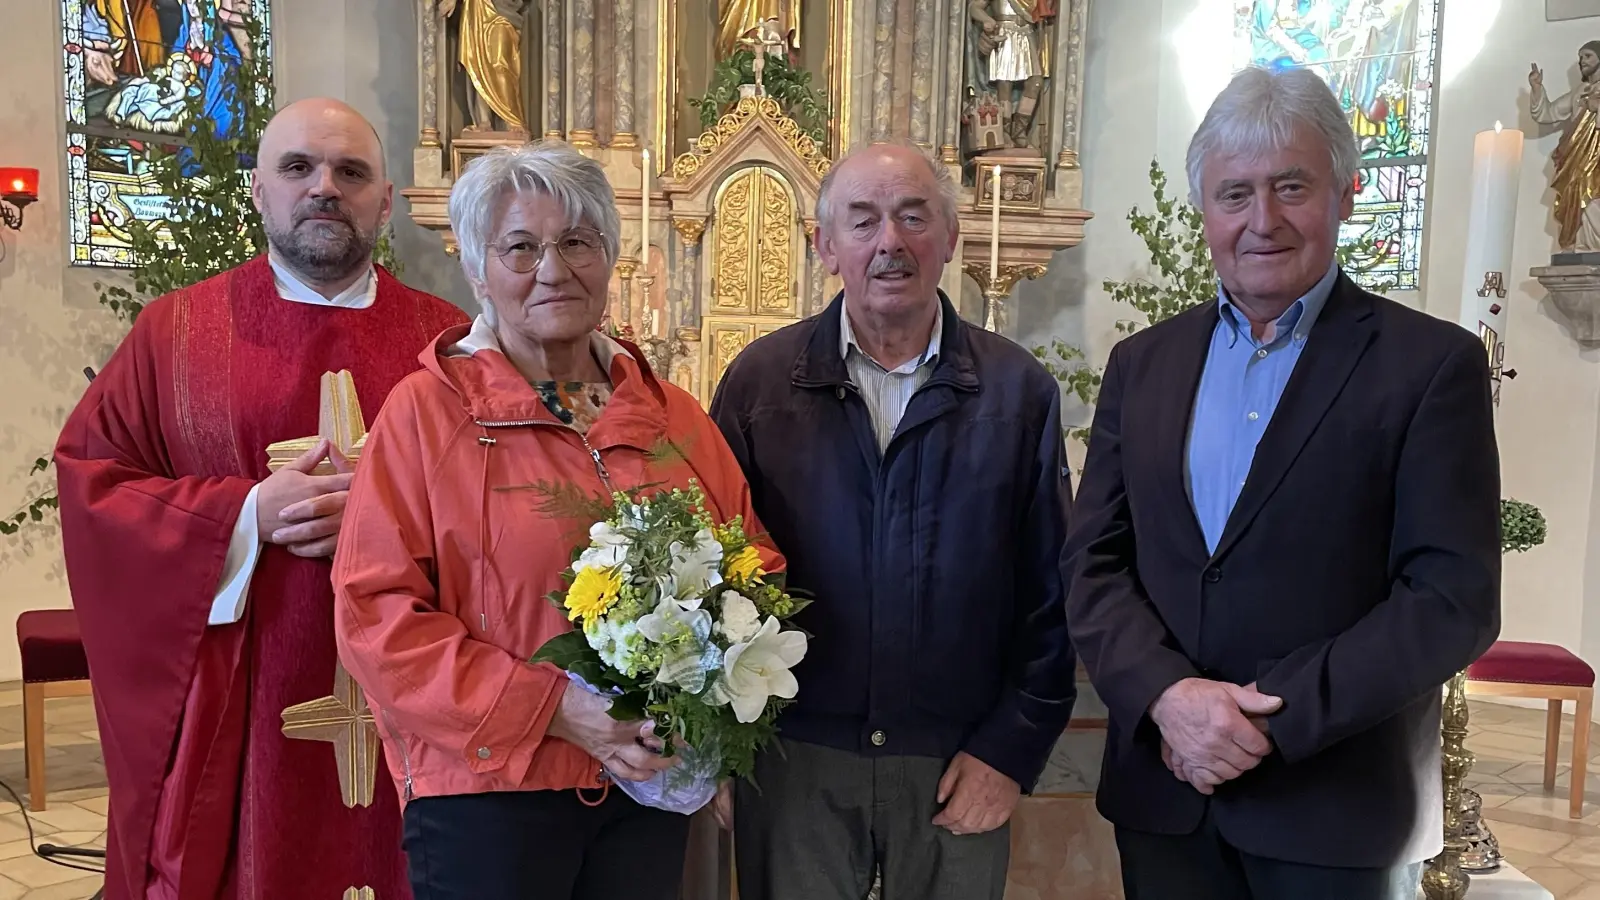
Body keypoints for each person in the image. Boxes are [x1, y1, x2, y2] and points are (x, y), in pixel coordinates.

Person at [1062, 66, 1500, 900]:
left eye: (1290, 187)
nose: (1262, 220)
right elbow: (1094, 564)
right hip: (1168, 796)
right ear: (1205, 213)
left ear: (1344, 192)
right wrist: (1167, 698)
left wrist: (1273, 716)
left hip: (1336, 809)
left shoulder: (1430, 366)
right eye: (1235, 194)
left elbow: (1453, 597)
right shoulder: (1142, 365)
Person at [330, 141, 779, 900]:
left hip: (646, 789)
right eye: (520, 247)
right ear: (476, 271)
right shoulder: (427, 414)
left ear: (608, 257)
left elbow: (754, 566)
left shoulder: (673, 417)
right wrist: (556, 709)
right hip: (487, 791)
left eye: (576, 241)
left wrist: (704, 710)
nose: (552, 268)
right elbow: (375, 615)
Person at [54, 97, 469, 900]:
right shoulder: (176, 333)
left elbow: (503, 515)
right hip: (241, 701)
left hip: (414, 701)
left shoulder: (448, 343)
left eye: (351, 172)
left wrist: (391, 521)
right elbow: (94, 484)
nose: (324, 187)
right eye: (298, 167)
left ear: (385, 201)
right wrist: (246, 515)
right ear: (257, 190)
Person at [708, 141, 1078, 900]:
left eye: (914, 217)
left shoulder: (1017, 393)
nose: (890, 243)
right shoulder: (758, 384)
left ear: (949, 238)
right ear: (825, 245)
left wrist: (1010, 752)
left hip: (958, 761)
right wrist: (719, 750)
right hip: (795, 759)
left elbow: (1056, 596)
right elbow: (713, 576)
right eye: (864, 220)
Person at [1530, 41, 1600, 251]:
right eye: (1580, 57)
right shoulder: (1579, 91)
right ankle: (1580, 244)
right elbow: (1547, 113)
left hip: (1598, 158)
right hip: (1576, 158)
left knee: (1595, 196)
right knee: (1577, 196)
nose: (1582, 61)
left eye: (1587, 56)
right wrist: (1536, 89)